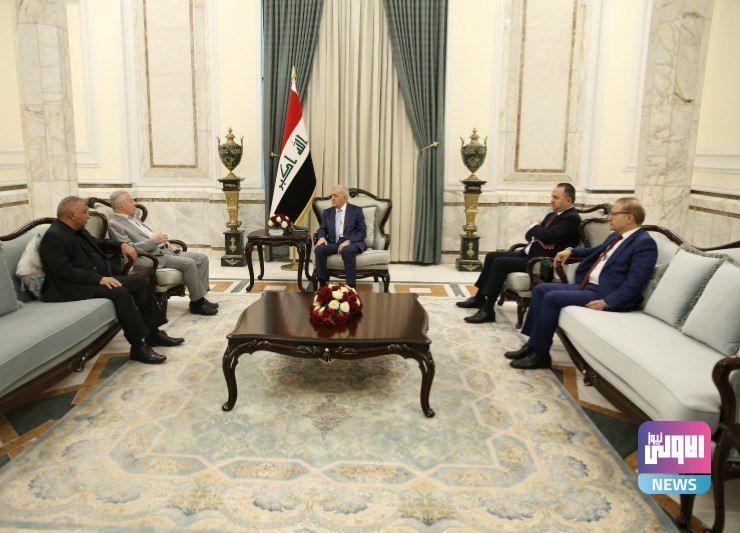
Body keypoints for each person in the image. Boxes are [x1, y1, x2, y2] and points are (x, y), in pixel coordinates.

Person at [505, 197, 657, 370]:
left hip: (604, 293)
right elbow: (594, 251)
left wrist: (608, 302)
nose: (609, 218)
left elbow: (635, 283)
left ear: (629, 218)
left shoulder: (644, 243)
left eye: (614, 214)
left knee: (552, 297)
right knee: (540, 289)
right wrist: (570, 250)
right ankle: (532, 345)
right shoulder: (616, 236)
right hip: (589, 286)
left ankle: (540, 355)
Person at [39, 196, 184, 365]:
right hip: (69, 287)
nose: (88, 216)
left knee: (138, 282)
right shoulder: (54, 237)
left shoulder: (78, 230)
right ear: (71, 215)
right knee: (118, 291)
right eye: (84, 212)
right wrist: (99, 279)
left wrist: (121, 245)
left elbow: (99, 243)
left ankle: (153, 334)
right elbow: (63, 271)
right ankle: (138, 347)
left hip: (91, 279)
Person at [457, 183, 581, 323]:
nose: (552, 200)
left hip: (541, 260)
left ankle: (488, 310)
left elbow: (545, 236)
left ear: (568, 200)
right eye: (552, 197)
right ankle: (479, 298)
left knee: (499, 263)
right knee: (491, 256)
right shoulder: (552, 215)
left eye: (556, 197)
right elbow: (529, 236)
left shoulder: (571, 218)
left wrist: (535, 226)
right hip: (530, 254)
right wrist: (540, 235)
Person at [107, 190, 218, 316]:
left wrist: (163, 241)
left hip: (165, 250)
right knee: (189, 263)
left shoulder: (134, 218)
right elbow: (129, 248)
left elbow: (148, 235)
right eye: (131, 200)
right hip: (155, 256)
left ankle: (201, 297)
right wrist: (154, 241)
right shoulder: (114, 224)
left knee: (202, 258)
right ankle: (197, 304)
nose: (134, 203)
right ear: (122, 205)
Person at [314, 185, 367, 288]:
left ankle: (351, 287)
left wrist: (349, 241)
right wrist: (321, 237)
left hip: (352, 243)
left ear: (345, 197)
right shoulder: (327, 212)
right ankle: (322, 285)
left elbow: (362, 232)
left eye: (336, 196)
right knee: (319, 249)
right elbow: (322, 229)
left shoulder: (356, 210)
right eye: (332, 196)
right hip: (334, 243)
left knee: (347, 250)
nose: (332, 198)